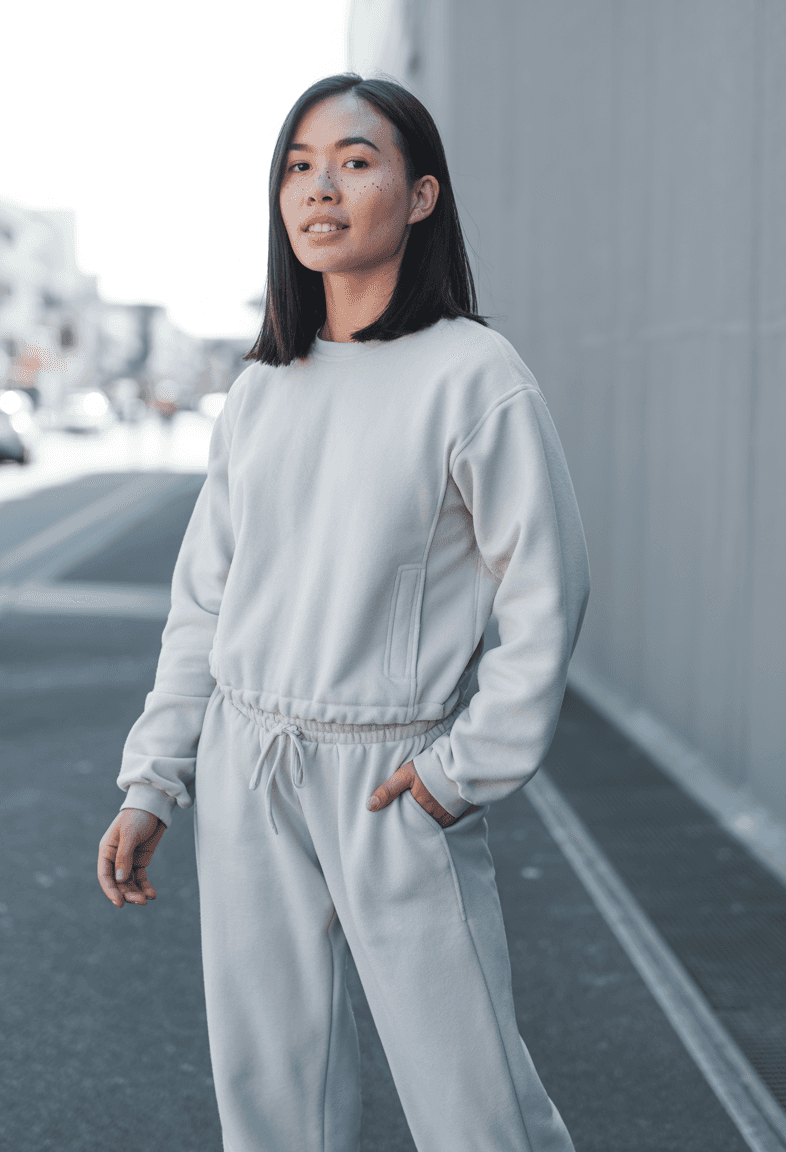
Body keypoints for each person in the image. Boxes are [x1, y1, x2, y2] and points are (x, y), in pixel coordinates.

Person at [97, 73, 589, 1152]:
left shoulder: (475, 374)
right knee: (272, 1095)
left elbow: (546, 591)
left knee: (476, 1103)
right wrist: (155, 778)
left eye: (356, 162)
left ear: (420, 197)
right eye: (298, 166)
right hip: (247, 766)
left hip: (390, 780)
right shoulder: (266, 387)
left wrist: (461, 774)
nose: (320, 189)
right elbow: (205, 608)